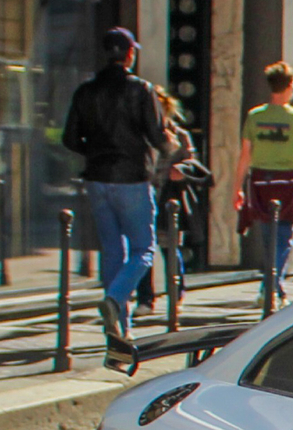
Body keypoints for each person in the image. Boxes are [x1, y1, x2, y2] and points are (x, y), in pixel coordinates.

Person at [59, 25, 167, 343]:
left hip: (97, 177)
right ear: (130, 54)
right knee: (143, 249)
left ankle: (118, 329)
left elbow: (69, 138)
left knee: (112, 251)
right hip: (132, 177)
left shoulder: (85, 91)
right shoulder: (141, 89)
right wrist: (170, 149)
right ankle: (115, 299)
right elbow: (157, 136)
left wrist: (95, 152)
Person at [231, 61, 293, 303]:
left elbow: (245, 155)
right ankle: (271, 287)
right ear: (290, 86)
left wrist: (237, 187)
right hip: (288, 181)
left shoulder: (255, 116)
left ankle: (272, 287)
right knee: (283, 237)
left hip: (260, 181)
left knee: (267, 236)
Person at [149, 92, 203, 312]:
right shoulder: (143, 133)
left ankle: (176, 293)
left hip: (169, 198)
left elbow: (193, 163)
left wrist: (181, 170)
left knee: (170, 248)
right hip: (144, 193)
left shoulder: (180, 135)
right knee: (143, 248)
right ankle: (145, 299)